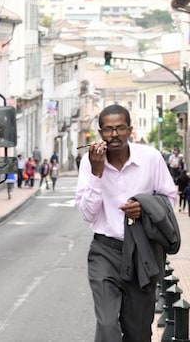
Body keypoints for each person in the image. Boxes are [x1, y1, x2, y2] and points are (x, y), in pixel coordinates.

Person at [75, 104, 177, 342]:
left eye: (120, 128)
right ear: (100, 133)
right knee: (107, 324)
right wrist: (97, 173)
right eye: (108, 129)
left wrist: (146, 208)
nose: (114, 135)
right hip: (104, 251)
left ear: (130, 130)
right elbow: (88, 214)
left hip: (143, 252)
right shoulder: (88, 163)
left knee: (138, 332)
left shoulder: (150, 158)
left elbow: (169, 199)